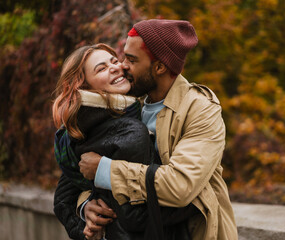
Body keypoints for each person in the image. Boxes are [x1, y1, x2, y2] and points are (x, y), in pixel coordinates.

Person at [78, 19, 238, 239]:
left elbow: (180, 186)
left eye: (132, 60)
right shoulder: (128, 106)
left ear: (160, 67)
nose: (122, 66)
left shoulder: (200, 108)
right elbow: (80, 171)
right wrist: (87, 204)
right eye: (124, 56)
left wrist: (106, 171)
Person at [52, 43, 195, 240]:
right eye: (101, 68)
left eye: (114, 61)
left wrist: (86, 211)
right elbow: (137, 216)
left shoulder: (82, 126)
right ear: (84, 86)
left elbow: (62, 199)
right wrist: (195, 200)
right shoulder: (127, 129)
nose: (114, 67)